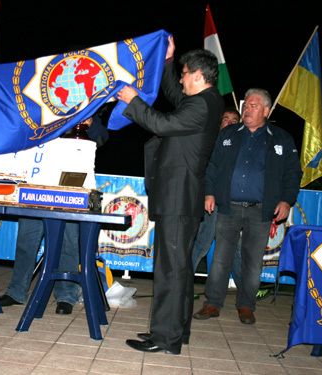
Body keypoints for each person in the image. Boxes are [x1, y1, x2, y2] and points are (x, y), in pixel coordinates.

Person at [117, 36, 224, 355]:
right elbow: (176, 96)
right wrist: (167, 61)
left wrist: (133, 101)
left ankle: (165, 338)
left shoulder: (202, 104)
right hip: (180, 198)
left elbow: (162, 124)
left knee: (171, 270)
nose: (180, 78)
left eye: (183, 72)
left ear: (198, 76)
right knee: (177, 269)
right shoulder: (206, 100)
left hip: (179, 198)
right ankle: (174, 331)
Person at [193, 88, 302, 324]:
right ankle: (212, 303)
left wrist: (286, 200)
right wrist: (209, 193)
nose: (246, 109)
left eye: (253, 106)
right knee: (221, 257)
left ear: (265, 110)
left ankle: (246, 306)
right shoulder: (229, 134)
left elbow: (293, 173)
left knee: (253, 261)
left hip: (261, 210)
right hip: (227, 207)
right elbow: (212, 166)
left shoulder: (281, 138)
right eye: (246, 105)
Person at [0, 114, 108, 315]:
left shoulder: (88, 105)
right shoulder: (38, 106)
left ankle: (66, 295)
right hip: (37, 184)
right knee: (26, 239)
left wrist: (90, 123)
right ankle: (16, 291)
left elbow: (101, 138)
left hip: (71, 188)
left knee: (70, 242)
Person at [191, 108, 242, 289]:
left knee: (235, 246)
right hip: (210, 200)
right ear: (219, 122)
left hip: (231, 203)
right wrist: (206, 194)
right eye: (225, 119)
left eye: (234, 120)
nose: (229, 123)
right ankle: (183, 283)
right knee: (203, 242)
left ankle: (245, 290)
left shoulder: (241, 144)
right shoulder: (208, 140)